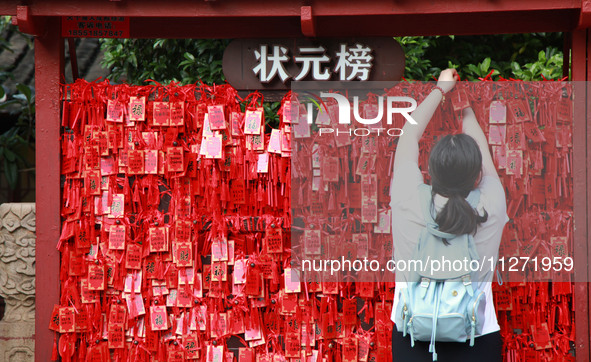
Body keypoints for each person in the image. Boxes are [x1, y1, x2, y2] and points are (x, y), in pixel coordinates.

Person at [389, 69, 509, 361]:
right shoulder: (492, 202)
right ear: (477, 173)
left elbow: (408, 135)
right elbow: (484, 155)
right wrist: (465, 107)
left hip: (412, 336)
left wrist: (440, 90)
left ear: (429, 169)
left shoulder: (407, 196)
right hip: (476, 338)